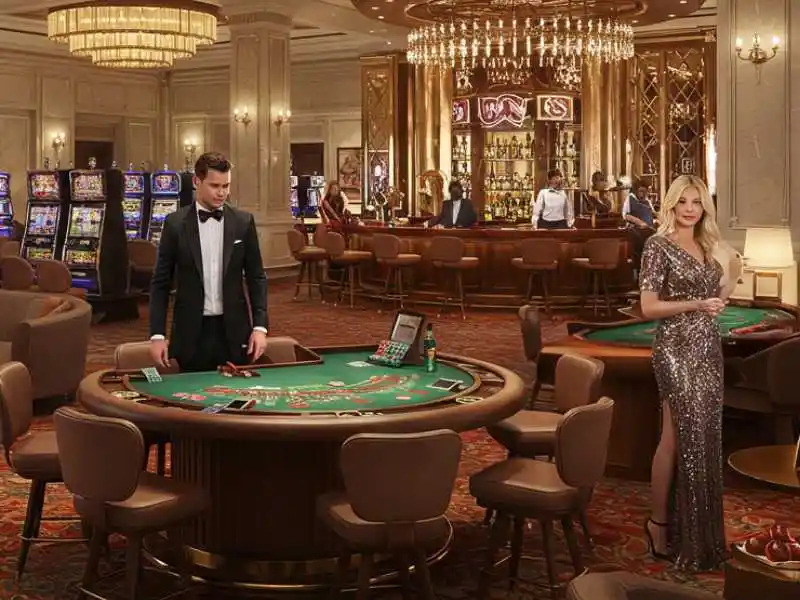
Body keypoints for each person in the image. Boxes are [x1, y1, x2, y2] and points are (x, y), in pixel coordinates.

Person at [639, 174, 738, 572]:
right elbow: (648, 307)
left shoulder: (709, 245)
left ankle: (702, 535)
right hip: (674, 349)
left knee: (706, 440)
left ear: (704, 208)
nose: (690, 209)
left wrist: (720, 295)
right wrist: (697, 304)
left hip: (708, 349)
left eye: (697, 202)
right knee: (675, 438)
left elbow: (721, 290)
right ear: (672, 205)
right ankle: (658, 524)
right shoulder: (657, 246)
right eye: (684, 202)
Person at [148, 152, 268, 372]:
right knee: (191, 401)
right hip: (191, 332)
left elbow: (257, 277)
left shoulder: (243, 222)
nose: (222, 193)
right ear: (196, 181)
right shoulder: (175, 224)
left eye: (226, 185)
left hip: (234, 331)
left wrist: (260, 327)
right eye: (215, 185)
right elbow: (160, 283)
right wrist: (157, 334)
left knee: (236, 398)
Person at [623, 178, 658, 272]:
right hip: (637, 231)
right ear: (636, 190)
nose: (643, 194)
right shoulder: (630, 198)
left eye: (644, 191)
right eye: (640, 191)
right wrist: (640, 222)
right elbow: (626, 215)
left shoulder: (647, 201)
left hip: (649, 230)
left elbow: (654, 213)